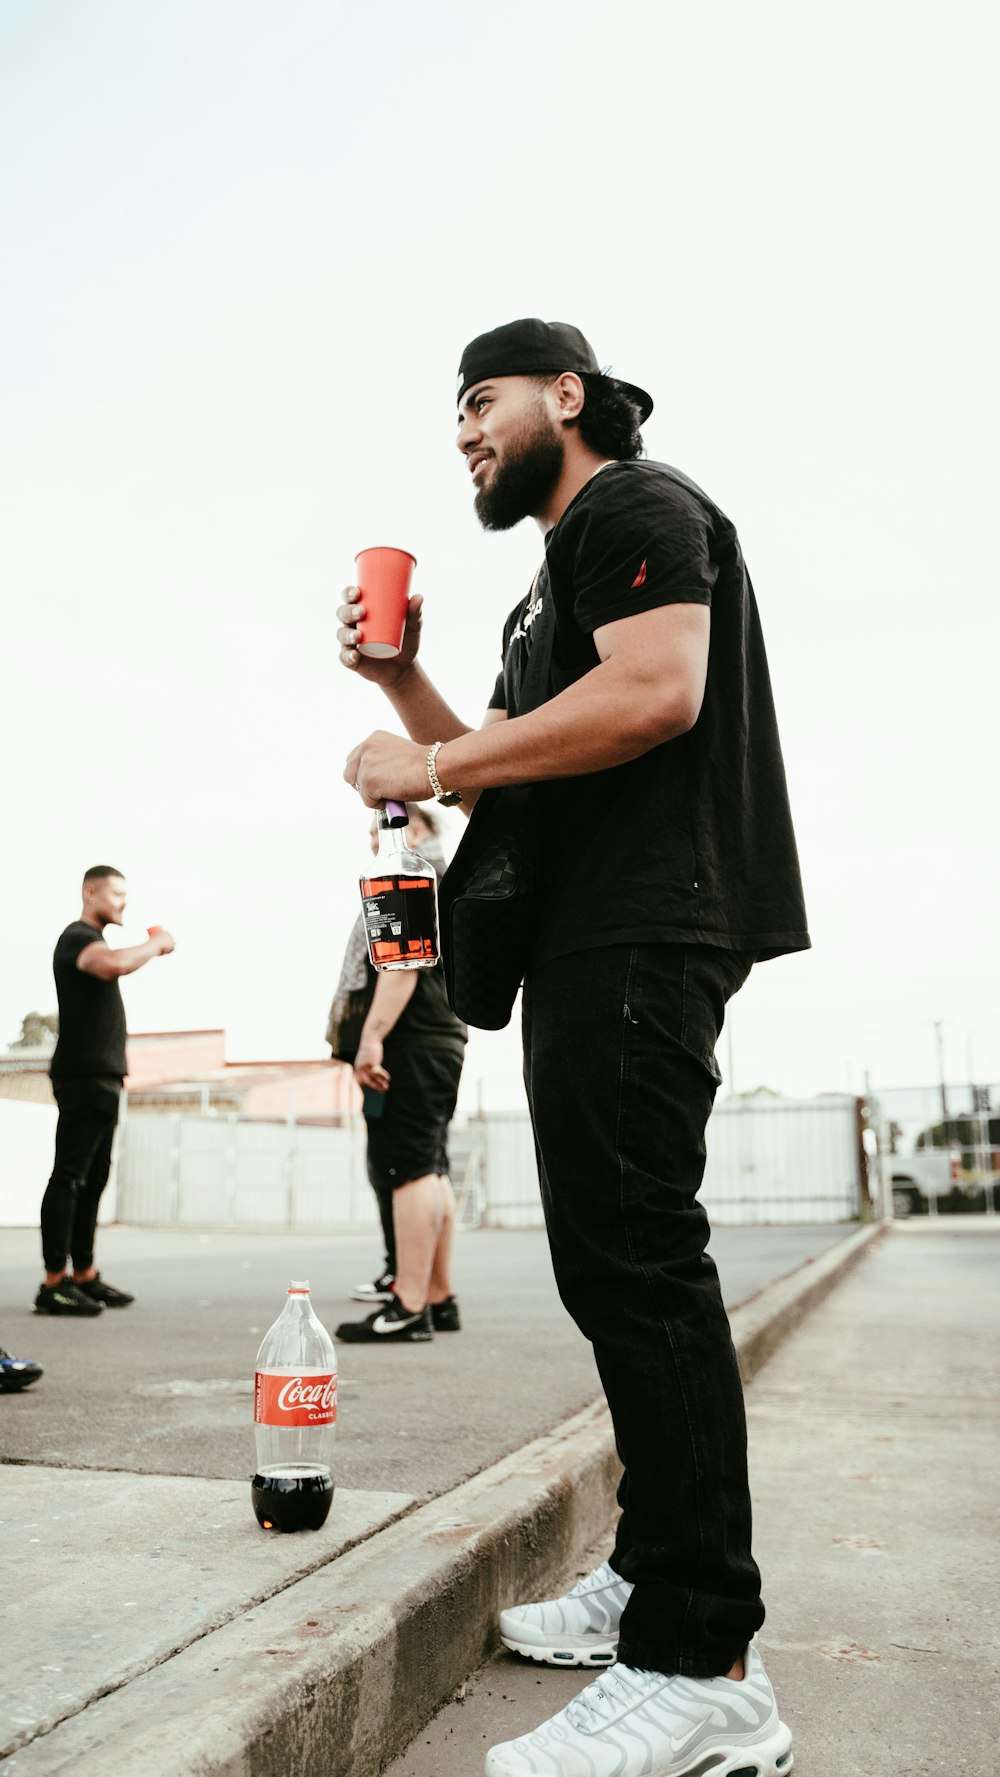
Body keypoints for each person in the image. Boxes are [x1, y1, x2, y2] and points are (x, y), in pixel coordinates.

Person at [338, 318, 809, 1776]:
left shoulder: (636, 503)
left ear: (567, 393)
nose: (465, 433)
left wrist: (431, 760)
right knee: (611, 1259)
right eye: (454, 418)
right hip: (589, 926)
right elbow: (508, 767)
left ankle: (701, 1656)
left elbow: (658, 693)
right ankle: (651, 1575)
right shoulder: (551, 588)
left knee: (637, 1258)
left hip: (646, 922)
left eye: (480, 402)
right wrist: (401, 693)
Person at [330, 806, 468, 1344]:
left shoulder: (409, 875)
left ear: (420, 831)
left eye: (385, 827)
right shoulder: (449, 879)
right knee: (430, 1168)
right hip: (441, 1039)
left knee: (408, 1169)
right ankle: (437, 1297)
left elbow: (402, 961)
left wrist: (371, 1037)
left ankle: (409, 1305)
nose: (376, 839)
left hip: (411, 1043)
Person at [35, 866, 175, 1317]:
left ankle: (84, 1276)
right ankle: (53, 1282)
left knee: (93, 1179)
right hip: (82, 1076)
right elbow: (113, 964)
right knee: (70, 1176)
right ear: (89, 891)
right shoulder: (77, 937)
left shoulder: (91, 939)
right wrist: (156, 943)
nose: (123, 903)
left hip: (103, 1076)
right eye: (116, 893)